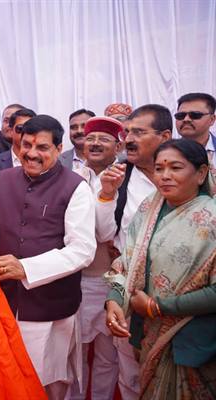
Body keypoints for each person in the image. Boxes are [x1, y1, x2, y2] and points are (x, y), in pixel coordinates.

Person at [0, 115, 96, 399]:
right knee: (8, 379)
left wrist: (26, 268)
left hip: (51, 307)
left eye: (42, 147)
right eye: (26, 145)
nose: (31, 153)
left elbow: (82, 250)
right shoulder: (0, 180)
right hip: (5, 303)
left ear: (59, 148)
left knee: (48, 382)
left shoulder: (76, 187)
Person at [105, 139, 216, 399]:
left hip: (195, 342)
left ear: (201, 173)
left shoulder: (211, 218)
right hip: (145, 333)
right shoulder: (149, 208)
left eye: (175, 168)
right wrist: (113, 300)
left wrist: (157, 307)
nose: (165, 176)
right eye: (159, 168)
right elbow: (127, 262)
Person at [95, 104, 172, 399]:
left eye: (138, 132)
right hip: (128, 291)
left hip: (180, 296)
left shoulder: (192, 175)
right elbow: (104, 235)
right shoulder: (118, 176)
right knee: (130, 374)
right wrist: (107, 194)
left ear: (165, 136)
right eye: (126, 132)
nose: (128, 139)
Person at [70, 117, 123, 399]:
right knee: (75, 353)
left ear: (118, 146)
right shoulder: (72, 177)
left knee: (107, 354)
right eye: (91, 138)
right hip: (74, 279)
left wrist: (107, 193)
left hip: (110, 281)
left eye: (104, 139)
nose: (95, 143)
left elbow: (105, 234)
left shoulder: (126, 178)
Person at [0, 108, 36, 259]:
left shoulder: (45, 163)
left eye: (30, 129)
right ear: (11, 130)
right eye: (20, 129)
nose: (25, 133)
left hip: (36, 248)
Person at [175, 92, 216, 169]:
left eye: (195, 115)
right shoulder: (165, 152)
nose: (186, 119)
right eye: (181, 116)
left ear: (212, 119)